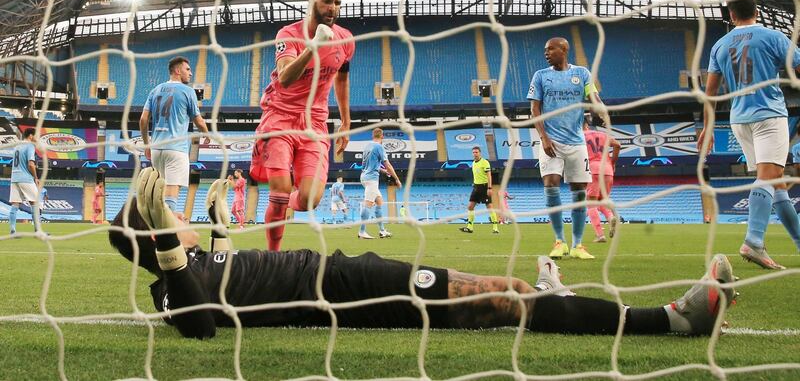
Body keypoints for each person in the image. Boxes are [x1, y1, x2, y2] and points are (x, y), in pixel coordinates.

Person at [107, 168, 738, 340]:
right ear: (155, 242)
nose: (180, 222)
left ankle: (563, 302)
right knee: (504, 299)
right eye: (168, 220)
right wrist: (168, 240)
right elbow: (199, 326)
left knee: (503, 292)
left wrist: (219, 222)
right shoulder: (171, 289)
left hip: (348, 273)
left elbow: (216, 265)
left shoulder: (189, 267)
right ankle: (673, 321)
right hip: (350, 296)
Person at [250, 0, 355, 250]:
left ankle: (292, 195)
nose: (333, 8)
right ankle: (273, 257)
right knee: (279, 191)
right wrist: (313, 47)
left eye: (338, 3)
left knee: (309, 201)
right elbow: (284, 77)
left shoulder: (345, 39)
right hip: (280, 117)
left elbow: (342, 79)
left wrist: (345, 120)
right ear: (311, 1)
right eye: (327, 1)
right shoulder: (289, 34)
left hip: (315, 123)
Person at [698, 0, 800, 270]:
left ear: (731, 15)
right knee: (768, 178)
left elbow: (710, 93)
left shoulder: (719, 45)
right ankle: (753, 240)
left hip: (739, 119)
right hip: (769, 115)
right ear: (756, 11)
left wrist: (707, 128)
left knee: (776, 183)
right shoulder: (773, 36)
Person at [529, 37, 603, 260]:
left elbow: (594, 96)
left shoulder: (582, 74)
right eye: (545, 49)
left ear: (564, 49)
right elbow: (535, 109)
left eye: (550, 49)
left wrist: (601, 110)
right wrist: (543, 138)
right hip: (551, 141)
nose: (546, 52)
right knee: (550, 183)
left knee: (578, 190)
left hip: (576, 141)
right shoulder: (541, 76)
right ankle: (559, 241)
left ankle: (578, 245)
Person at [139, 56, 209, 216]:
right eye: (187, 69)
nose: (190, 74)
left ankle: (156, 229)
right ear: (178, 71)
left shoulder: (155, 90)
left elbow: (143, 120)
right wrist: (207, 133)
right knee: (171, 193)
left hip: (156, 150)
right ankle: (166, 234)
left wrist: (146, 144)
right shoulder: (188, 91)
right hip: (176, 149)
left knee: (159, 192)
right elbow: (198, 120)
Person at [359, 128, 401, 239]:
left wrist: (383, 171)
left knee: (379, 202)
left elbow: (369, 164)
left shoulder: (368, 146)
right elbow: (388, 164)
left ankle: (382, 231)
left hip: (364, 176)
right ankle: (362, 232)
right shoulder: (379, 147)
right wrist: (396, 178)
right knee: (368, 204)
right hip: (371, 179)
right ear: (382, 136)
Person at [583, 119, 621, 243]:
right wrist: (613, 162)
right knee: (602, 201)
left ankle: (600, 235)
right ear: (587, 124)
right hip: (608, 169)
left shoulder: (580, 136)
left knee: (591, 203)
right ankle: (610, 218)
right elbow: (618, 145)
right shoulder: (603, 135)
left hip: (593, 169)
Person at [460, 146, 499, 234]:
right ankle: (470, 227)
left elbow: (489, 175)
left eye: (476, 152)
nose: (475, 154)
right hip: (476, 187)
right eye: (473, 152)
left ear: (480, 153)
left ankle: (495, 228)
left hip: (484, 187)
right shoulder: (473, 163)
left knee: (489, 207)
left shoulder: (485, 162)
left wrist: (489, 188)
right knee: (470, 207)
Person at [8, 129, 40, 235]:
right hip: (25, 178)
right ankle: (38, 231)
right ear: (31, 136)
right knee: (35, 203)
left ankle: (13, 230)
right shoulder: (30, 146)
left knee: (15, 204)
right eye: (35, 136)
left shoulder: (17, 146)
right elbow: (31, 164)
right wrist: (35, 177)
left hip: (14, 178)